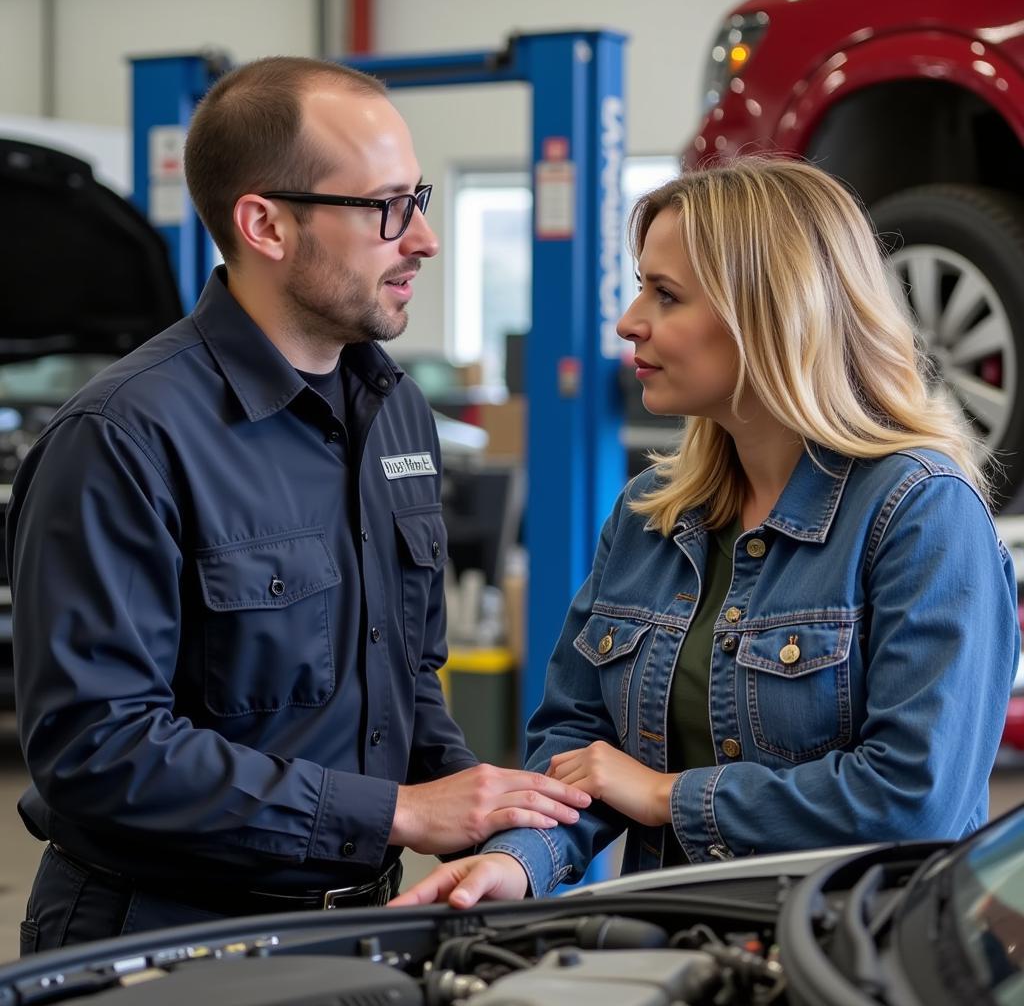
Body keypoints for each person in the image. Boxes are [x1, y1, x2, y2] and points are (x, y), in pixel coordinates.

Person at [8, 56, 590, 954]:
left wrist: (484, 803)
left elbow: (402, 679)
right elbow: (99, 749)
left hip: (362, 922)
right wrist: (395, 809)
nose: (425, 239)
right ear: (266, 223)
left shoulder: (394, 411)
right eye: (388, 206)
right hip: (163, 942)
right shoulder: (124, 438)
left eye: (422, 197)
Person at [392, 156, 1020, 909]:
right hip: (674, 947)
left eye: (666, 294)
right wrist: (520, 861)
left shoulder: (920, 511)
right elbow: (578, 748)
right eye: (639, 287)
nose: (629, 323)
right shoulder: (649, 514)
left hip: (853, 962)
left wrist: (668, 797)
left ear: (773, 311)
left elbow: (913, 797)